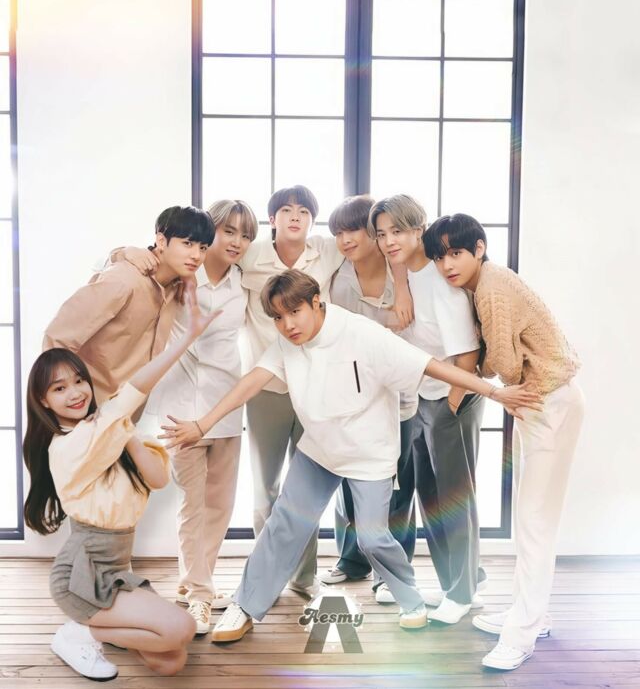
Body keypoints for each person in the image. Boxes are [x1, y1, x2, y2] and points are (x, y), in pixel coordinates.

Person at [159, 269, 541, 644]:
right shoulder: (287, 341)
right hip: (320, 450)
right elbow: (252, 381)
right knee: (284, 524)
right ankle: (245, 605)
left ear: (316, 302)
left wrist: (494, 393)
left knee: (372, 539)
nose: (287, 325)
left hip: (368, 454)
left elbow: (431, 366)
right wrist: (202, 424)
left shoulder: (362, 334)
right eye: (277, 317)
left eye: (295, 312)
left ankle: (409, 599)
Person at [22, 287, 220, 680]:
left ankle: (94, 630)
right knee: (180, 628)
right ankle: (79, 633)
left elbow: (158, 479)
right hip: (81, 576)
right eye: (59, 388)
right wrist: (186, 339)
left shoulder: (107, 432)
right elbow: (135, 390)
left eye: (79, 381)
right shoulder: (68, 445)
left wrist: (126, 432)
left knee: (170, 661)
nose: (75, 393)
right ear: (43, 401)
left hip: (117, 570)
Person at [423, 213, 583, 671]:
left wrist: (474, 364)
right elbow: (504, 362)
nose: (447, 265)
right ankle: (530, 614)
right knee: (530, 520)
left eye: (456, 253)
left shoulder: (491, 287)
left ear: (479, 248)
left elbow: (507, 367)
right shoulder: (485, 283)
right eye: (439, 257)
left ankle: (522, 633)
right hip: (542, 404)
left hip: (549, 403)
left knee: (534, 523)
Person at [237, 186, 412, 596]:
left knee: (329, 479)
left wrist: (402, 287)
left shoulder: (326, 250)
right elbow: (212, 250)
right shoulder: (250, 254)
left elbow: (386, 242)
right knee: (267, 489)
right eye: (286, 210)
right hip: (267, 387)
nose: (294, 217)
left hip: (319, 386)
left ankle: (305, 577)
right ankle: (268, 578)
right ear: (272, 218)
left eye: (303, 211)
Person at [120, 199, 258, 634]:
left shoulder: (244, 283)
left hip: (225, 405)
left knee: (219, 506)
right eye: (228, 231)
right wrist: (123, 251)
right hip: (179, 408)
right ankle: (199, 595)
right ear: (208, 234)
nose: (236, 242)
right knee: (192, 504)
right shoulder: (176, 274)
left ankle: (195, 583)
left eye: (246, 235)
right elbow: (119, 265)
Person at [370, 195, 486, 625]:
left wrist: (450, 408)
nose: (388, 241)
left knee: (455, 498)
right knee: (432, 499)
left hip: (453, 398)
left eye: (397, 231)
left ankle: (463, 592)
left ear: (419, 229)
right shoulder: (408, 271)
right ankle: (456, 581)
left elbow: (467, 353)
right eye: (382, 234)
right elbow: (403, 267)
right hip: (424, 397)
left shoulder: (441, 281)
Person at [320, 195, 419, 605]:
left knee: (398, 484)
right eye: (338, 232)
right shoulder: (338, 278)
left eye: (354, 231)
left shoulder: (404, 274)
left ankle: (391, 573)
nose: (345, 240)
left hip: (400, 395)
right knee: (350, 479)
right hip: (354, 395)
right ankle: (352, 560)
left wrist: (403, 288)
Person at [43, 205, 214, 403]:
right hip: (88, 406)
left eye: (203, 248)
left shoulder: (178, 287)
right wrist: (66, 400)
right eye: (187, 243)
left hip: (127, 410)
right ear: (161, 241)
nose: (196, 256)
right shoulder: (124, 280)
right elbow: (57, 337)